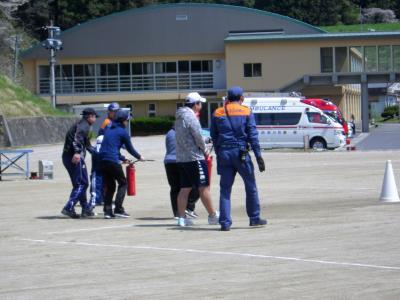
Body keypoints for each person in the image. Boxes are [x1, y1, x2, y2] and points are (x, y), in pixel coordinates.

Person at [210, 86, 267, 231]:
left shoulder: (218, 112)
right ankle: (254, 218)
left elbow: (214, 136)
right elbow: (253, 135)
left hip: (224, 153)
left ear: (227, 99)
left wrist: (219, 152)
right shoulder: (247, 111)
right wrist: (258, 155)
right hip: (241, 153)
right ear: (241, 98)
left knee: (225, 189)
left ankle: (225, 222)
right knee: (250, 186)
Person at [175, 92, 219, 227]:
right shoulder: (191, 117)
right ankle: (213, 215)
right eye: (200, 103)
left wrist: (204, 140)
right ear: (195, 104)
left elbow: (188, 136)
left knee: (185, 188)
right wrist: (205, 149)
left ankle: (181, 218)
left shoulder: (179, 117)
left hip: (182, 158)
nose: (201, 106)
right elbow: (198, 136)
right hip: (195, 158)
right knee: (204, 187)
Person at [99, 110, 144, 219]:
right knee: (123, 183)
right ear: (123, 120)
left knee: (110, 186)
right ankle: (118, 209)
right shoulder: (123, 132)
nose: (127, 122)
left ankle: (108, 211)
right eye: (127, 120)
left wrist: (123, 158)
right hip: (112, 160)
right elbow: (130, 148)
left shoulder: (109, 129)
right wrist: (139, 157)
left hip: (102, 160)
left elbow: (111, 148)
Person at [61, 107, 98, 218]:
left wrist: (98, 153)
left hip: (68, 157)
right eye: (95, 116)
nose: (95, 119)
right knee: (82, 183)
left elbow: (87, 145)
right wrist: (77, 152)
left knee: (80, 184)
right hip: (74, 157)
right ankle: (69, 207)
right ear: (90, 116)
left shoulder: (82, 125)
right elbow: (77, 139)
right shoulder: (83, 125)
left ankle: (85, 208)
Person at [164, 126, 200, 219]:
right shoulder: (184, 133)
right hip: (182, 161)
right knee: (194, 185)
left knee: (175, 188)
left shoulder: (169, 133)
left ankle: (177, 213)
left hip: (169, 162)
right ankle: (189, 208)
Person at [88, 135, 104, 211]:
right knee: (96, 191)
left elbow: (88, 147)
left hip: (96, 173)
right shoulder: (101, 150)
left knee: (96, 190)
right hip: (99, 173)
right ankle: (90, 206)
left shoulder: (95, 150)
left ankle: (96, 202)